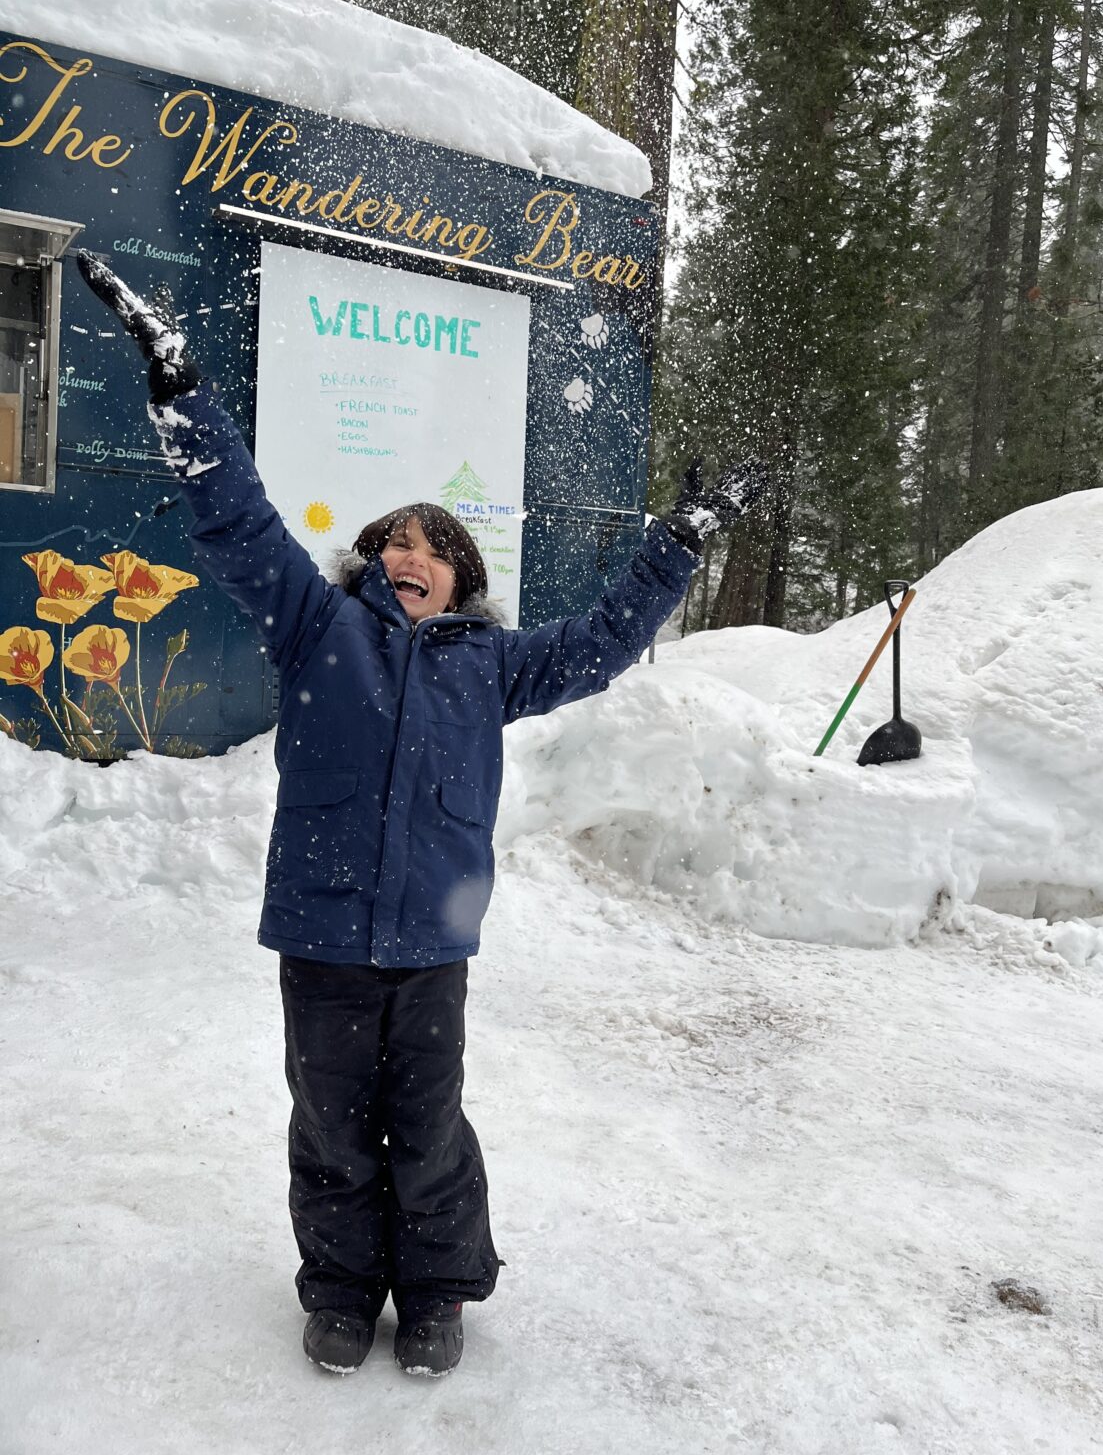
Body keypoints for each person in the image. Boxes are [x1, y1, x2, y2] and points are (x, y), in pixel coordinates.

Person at [77, 250, 767, 1378]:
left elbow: (602, 642)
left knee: (430, 1131)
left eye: (432, 547)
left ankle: (438, 1292)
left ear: (460, 578)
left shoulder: (492, 667)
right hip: (323, 935)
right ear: (368, 563)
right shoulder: (315, 627)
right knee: (333, 1130)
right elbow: (240, 523)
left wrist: (679, 540)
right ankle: (343, 1289)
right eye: (393, 541)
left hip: (431, 945)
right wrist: (181, 390)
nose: (408, 555)